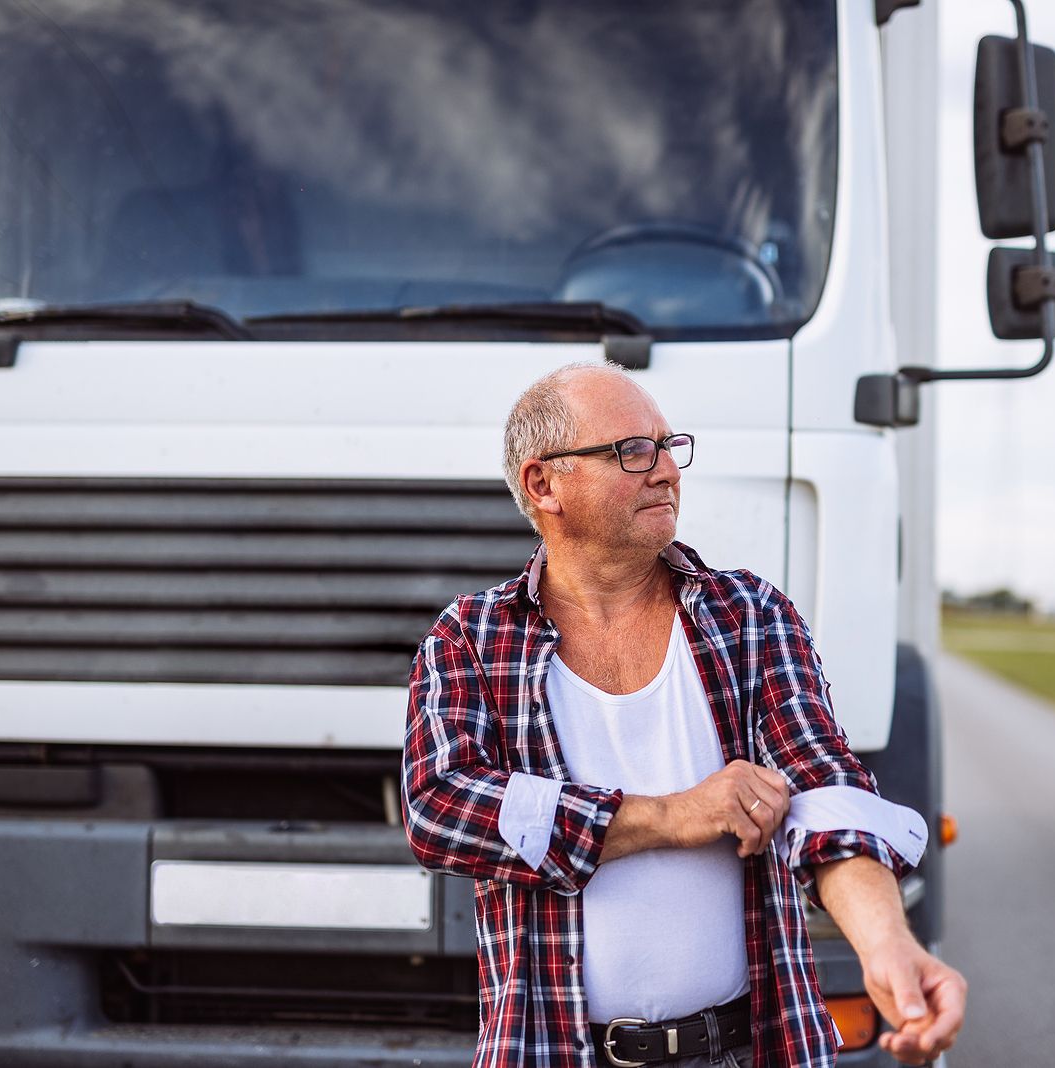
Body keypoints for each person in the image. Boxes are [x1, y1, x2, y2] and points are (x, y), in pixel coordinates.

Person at [402, 362, 966, 1068]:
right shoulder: (472, 639)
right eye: (633, 451)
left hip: (743, 1050)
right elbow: (439, 810)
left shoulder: (750, 616)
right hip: (552, 1053)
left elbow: (825, 787)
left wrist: (889, 945)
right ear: (543, 483)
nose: (667, 470)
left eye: (670, 446)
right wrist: (673, 815)